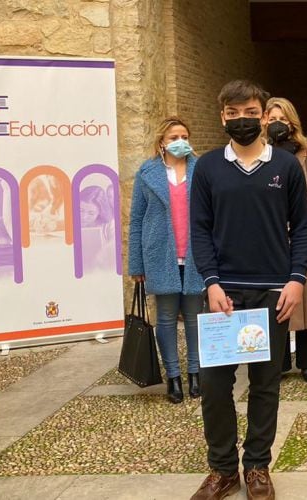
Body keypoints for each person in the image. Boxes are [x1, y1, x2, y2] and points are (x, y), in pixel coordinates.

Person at [189, 80, 307, 500]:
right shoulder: (206, 168)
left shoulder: (286, 167)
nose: (242, 120)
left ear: (263, 114)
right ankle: (222, 470)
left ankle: (257, 466)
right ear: (223, 116)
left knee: (265, 383)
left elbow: (301, 231)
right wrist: (211, 282)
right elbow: (200, 230)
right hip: (224, 295)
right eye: (234, 113)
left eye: (250, 112)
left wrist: (296, 280)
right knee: (215, 385)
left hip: (273, 293)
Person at [128, 116, 205, 404]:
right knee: (167, 318)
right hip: (160, 254)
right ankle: (173, 377)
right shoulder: (147, 173)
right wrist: (136, 264)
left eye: (184, 135)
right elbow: (136, 219)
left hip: (196, 254)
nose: (180, 141)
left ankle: (196, 373)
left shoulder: (202, 170)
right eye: (174, 137)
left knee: (196, 318)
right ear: (162, 142)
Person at [265, 97, 307, 384]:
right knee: (274, 299)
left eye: (282, 118)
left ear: (292, 123)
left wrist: (301, 227)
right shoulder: (259, 153)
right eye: (272, 117)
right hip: (269, 238)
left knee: (305, 299)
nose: (277, 123)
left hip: (302, 237)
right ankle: (278, 362)